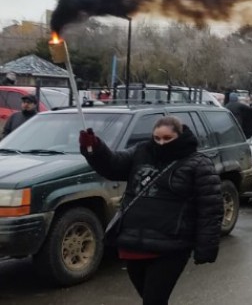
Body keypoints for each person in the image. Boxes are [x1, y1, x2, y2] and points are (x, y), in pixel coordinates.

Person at [77, 116, 223, 304]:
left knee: (153, 301)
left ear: (179, 135)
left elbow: (210, 208)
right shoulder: (141, 151)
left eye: (167, 138)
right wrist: (94, 148)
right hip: (133, 243)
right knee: (151, 299)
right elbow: (113, 165)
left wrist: (207, 247)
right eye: (157, 138)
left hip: (171, 246)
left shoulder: (198, 163)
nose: (161, 143)